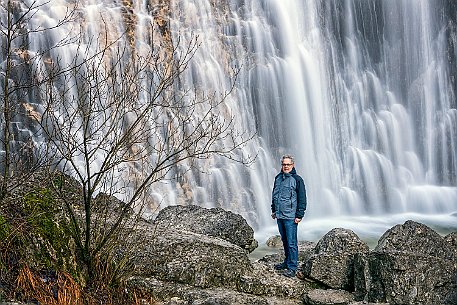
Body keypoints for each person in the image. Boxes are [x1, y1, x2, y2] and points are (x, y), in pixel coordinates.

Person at [271, 154, 307, 278]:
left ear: (292, 165)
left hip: (291, 216)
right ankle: (286, 262)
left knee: (292, 242)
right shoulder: (278, 178)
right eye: (284, 164)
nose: (286, 166)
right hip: (280, 215)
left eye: (288, 164)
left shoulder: (297, 179)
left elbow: (302, 198)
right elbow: (275, 194)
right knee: (285, 241)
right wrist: (274, 210)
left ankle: (292, 267)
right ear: (282, 165)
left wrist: (299, 214)